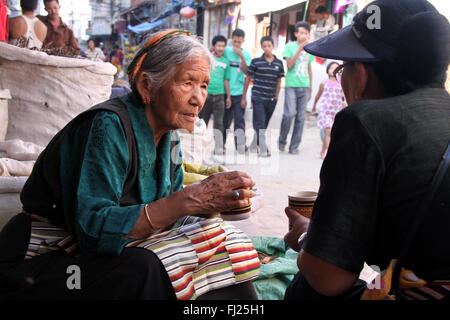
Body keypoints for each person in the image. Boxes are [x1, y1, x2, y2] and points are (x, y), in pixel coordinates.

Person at [0, 30, 260, 300]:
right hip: (44, 266)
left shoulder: (168, 135)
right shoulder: (106, 127)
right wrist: (190, 200)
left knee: (220, 239)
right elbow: (93, 231)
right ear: (147, 86)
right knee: (144, 268)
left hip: (96, 257)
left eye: (204, 85)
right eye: (187, 83)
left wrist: (212, 204)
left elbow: (165, 211)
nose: (198, 98)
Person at [283, 0, 450, 300]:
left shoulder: (363, 122)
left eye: (343, 68)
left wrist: (308, 237)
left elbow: (327, 277)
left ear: (360, 76)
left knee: (305, 289)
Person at [242, 36, 284, 157]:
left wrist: (276, 96)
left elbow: (279, 81)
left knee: (263, 124)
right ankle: (264, 148)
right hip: (258, 97)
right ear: (261, 47)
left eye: (269, 46)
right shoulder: (256, 62)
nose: (267, 48)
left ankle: (254, 145)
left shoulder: (279, 63)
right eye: (264, 46)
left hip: (271, 99)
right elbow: (248, 78)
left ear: (273, 47)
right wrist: (244, 97)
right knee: (259, 123)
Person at [278, 21, 314, 155]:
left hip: (304, 86)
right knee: (289, 114)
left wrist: (310, 87)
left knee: (300, 117)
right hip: (291, 85)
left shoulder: (310, 49)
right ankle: (282, 140)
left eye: (306, 33)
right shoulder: (289, 47)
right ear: (296, 34)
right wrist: (300, 49)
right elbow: (289, 65)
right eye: (301, 33)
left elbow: (309, 69)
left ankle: (294, 146)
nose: (303, 35)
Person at [198, 35, 231, 156]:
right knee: (202, 121)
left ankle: (219, 147)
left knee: (219, 123)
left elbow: (226, 80)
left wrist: (228, 97)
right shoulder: (207, 59)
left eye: (223, 46)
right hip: (206, 95)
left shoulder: (226, 62)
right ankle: (198, 144)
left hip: (220, 96)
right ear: (214, 46)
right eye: (219, 45)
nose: (221, 48)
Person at [223, 28, 252, 154]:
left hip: (239, 92)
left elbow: (247, 72)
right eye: (235, 41)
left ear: (243, 41)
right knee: (225, 120)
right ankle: (220, 144)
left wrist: (241, 56)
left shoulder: (246, 55)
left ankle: (240, 146)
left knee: (239, 121)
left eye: (239, 42)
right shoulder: (226, 51)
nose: (236, 44)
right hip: (226, 91)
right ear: (231, 39)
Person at [311, 61, 345, 159]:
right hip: (325, 111)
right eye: (331, 68)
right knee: (328, 131)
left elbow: (344, 96)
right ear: (327, 70)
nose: (333, 69)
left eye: (336, 68)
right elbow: (318, 96)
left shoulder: (341, 84)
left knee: (332, 133)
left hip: (336, 112)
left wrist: (345, 103)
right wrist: (314, 106)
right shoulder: (324, 83)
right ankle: (330, 153)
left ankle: (322, 151)